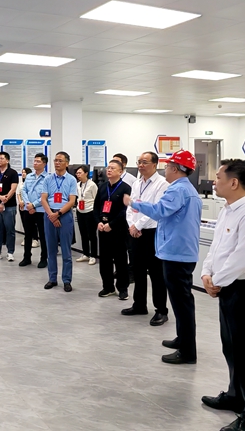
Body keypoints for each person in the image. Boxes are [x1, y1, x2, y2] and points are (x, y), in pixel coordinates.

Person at [201, 159, 245, 431]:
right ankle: (235, 396)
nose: (213, 181)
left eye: (218, 177)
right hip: (228, 289)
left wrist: (216, 282)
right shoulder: (228, 210)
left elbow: (241, 258)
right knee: (231, 349)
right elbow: (217, 247)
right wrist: (207, 273)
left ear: (233, 182)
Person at [124, 149, 202, 365]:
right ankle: (182, 339)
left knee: (182, 303)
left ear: (175, 169)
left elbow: (158, 211)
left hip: (177, 253)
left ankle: (187, 351)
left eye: (167, 166)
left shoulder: (176, 189)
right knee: (180, 302)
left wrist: (133, 203)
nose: (165, 170)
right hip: (180, 250)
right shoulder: (186, 189)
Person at [122, 151, 170, 326]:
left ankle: (161, 310)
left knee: (156, 273)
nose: (141, 165)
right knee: (138, 270)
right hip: (135, 231)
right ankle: (139, 304)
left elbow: (156, 209)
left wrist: (138, 225)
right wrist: (131, 225)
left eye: (145, 162)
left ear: (155, 165)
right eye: (139, 162)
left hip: (152, 232)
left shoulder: (162, 184)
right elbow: (130, 206)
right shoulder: (137, 183)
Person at [94, 159, 132, 299]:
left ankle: (122, 288)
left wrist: (112, 224)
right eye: (108, 168)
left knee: (120, 260)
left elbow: (125, 210)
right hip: (103, 229)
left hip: (118, 229)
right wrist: (98, 222)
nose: (108, 170)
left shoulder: (126, 188)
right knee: (104, 260)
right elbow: (96, 207)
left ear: (120, 172)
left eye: (112, 168)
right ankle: (107, 287)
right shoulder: (102, 187)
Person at [40, 151, 77, 292]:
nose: (57, 163)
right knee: (51, 250)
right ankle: (52, 278)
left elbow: (72, 201)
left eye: (60, 160)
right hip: (49, 214)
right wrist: (51, 215)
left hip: (64, 215)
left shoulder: (71, 180)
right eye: (55, 160)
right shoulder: (48, 179)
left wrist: (58, 214)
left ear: (67, 163)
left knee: (66, 251)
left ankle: (67, 280)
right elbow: (44, 199)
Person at [18, 154, 50, 268]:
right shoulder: (29, 176)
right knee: (28, 234)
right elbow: (24, 191)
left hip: (41, 210)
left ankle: (44, 258)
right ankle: (27, 257)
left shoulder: (48, 178)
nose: (35, 163)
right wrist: (28, 204)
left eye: (38, 161)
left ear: (44, 164)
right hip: (28, 209)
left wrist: (34, 205)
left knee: (43, 235)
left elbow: (46, 195)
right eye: (34, 161)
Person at [75, 165, 98, 265]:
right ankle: (85, 254)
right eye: (77, 173)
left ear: (86, 173)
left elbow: (96, 199)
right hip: (80, 211)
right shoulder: (78, 184)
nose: (78, 175)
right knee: (83, 234)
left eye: (80, 173)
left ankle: (93, 255)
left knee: (91, 235)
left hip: (90, 211)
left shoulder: (92, 185)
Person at [17, 168, 35, 247]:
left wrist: (26, 202)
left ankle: (35, 238)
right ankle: (27, 237)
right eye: (22, 172)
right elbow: (18, 193)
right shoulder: (21, 183)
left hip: (29, 205)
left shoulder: (32, 183)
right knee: (24, 222)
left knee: (32, 223)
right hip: (21, 205)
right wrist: (20, 202)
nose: (23, 174)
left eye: (25, 172)